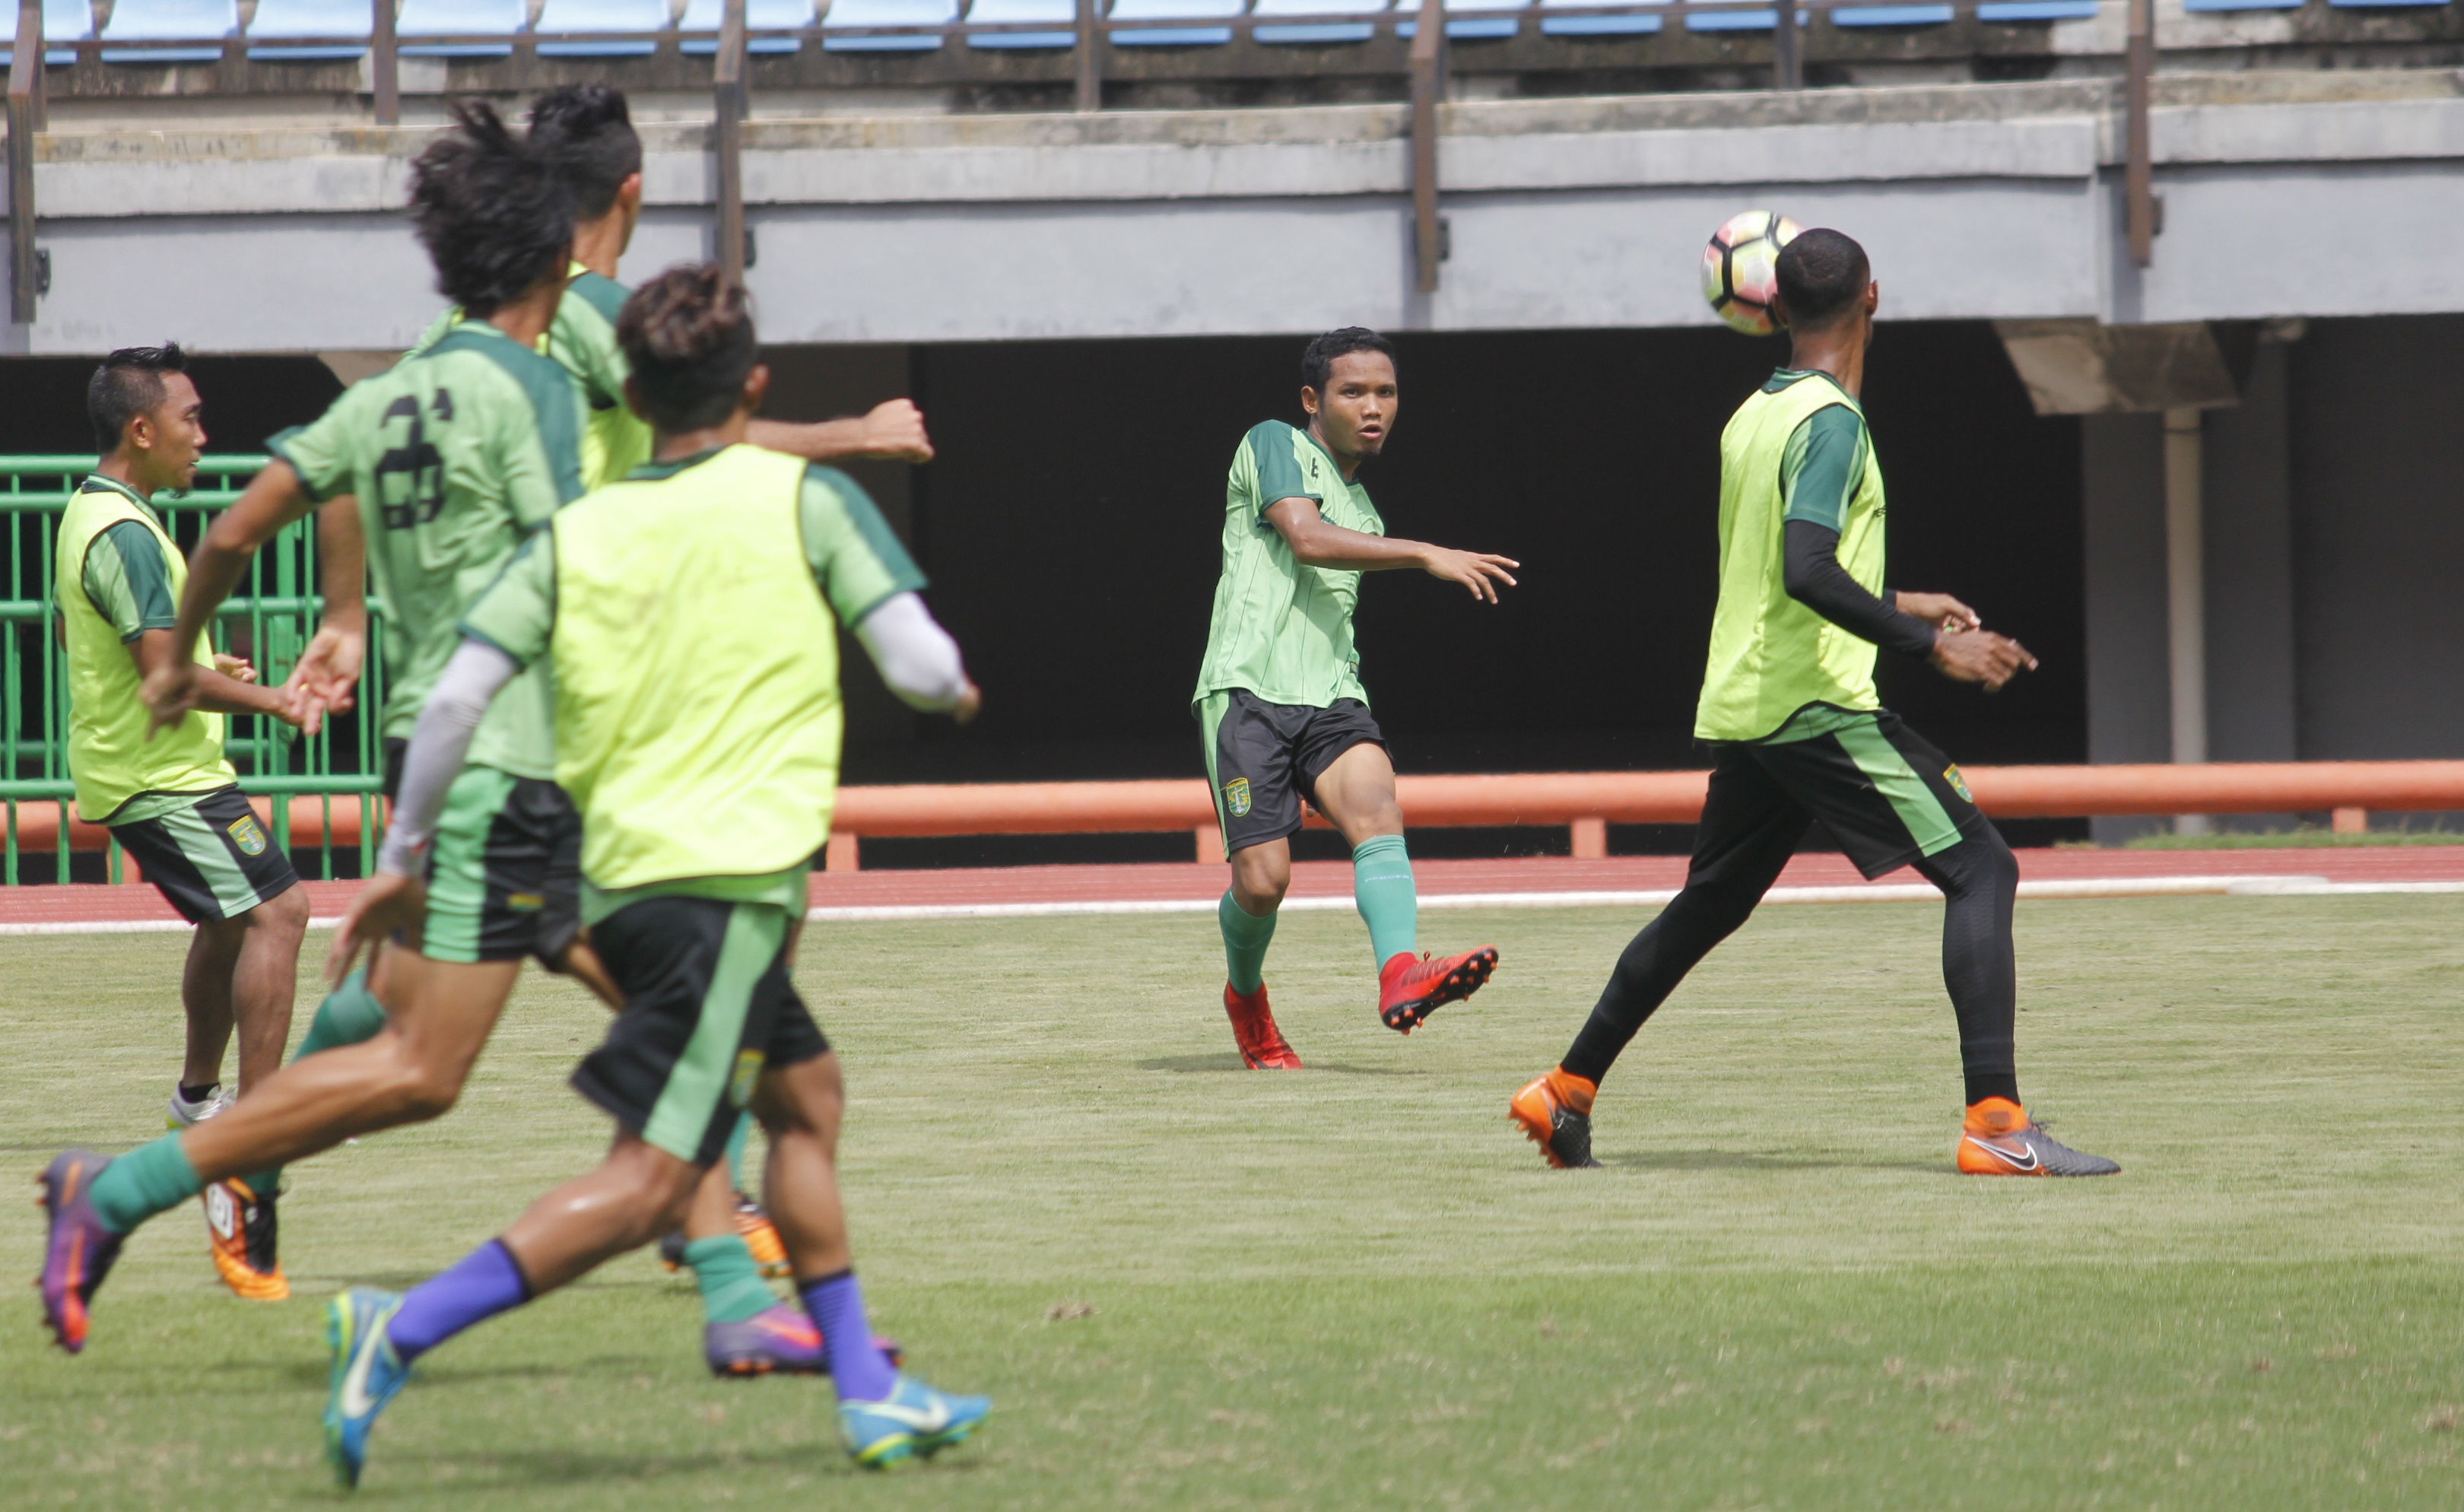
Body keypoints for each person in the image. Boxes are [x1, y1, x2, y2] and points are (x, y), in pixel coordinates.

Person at [317, 262, 986, 1486]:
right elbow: (921, 666)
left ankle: (872, 1394)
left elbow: (460, 696)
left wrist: (402, 856)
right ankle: (395, 1328)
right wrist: (953, 690)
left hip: (618, 886)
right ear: (758, 385)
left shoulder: (584, 525)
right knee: (647, 1189)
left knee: (808, 1101)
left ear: (627, 390)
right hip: (725, 893)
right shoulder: (801, 501)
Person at [37, 103, 600, 1356]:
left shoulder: (394, 392)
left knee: (408, 1013)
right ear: (557, 253)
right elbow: (583, 579)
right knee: (443, 1036)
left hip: (445, 755)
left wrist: (332, 620)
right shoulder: (537, 389)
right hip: (507, 759)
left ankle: (191, 1153)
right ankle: (234, 1178)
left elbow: (253, 522)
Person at [387, 84, 935, 1361]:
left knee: (742, 1056)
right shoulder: (585, 317)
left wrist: (357, 613)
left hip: (547, 699)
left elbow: (344, 456)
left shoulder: (481, 338)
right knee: (456, 1054)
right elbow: (702, 442)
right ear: (632, 192)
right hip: (605, 726)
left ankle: (792, 1321)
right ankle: (379, 1304)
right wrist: (850, 436)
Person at [1507, 228, 2119, 1179]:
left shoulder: (1756, 412)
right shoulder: (1833, 419)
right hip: (1814, 704)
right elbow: (1803, 568)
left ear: (1773, 309)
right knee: (1982, 868)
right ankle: (1997, 1123)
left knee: (1708, 904)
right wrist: (1932, 642)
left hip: (1753, 700)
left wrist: (1900, 596)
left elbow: (1790, 558)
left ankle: (1565, 1090)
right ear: (1875, 295)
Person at [44, 345, 314, 1311]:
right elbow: (161, 675)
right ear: (141, 430)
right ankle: (254, 1128)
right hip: (160, 775)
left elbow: (149, 655)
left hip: (152, 766)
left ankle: (198, 1101)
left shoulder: (105, 515)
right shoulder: (118, 530)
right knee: (282, 911)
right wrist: (276, 699)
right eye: (192, 418)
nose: (206, 433)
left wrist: (211, 660)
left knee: (235, 918)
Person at [1193, 327, 1519, 1070]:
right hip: (1246, 692)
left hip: (1333, 695)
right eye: (1353, 391)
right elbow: (1305, 538)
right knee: (1264, 880)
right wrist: (1425, 551)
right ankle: (1246, 995)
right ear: (1313, 399)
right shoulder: (1274, 441)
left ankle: (1400, 971)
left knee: (1377, 807)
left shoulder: (1364, 508)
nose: (1373, 407)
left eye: (1386, 392)